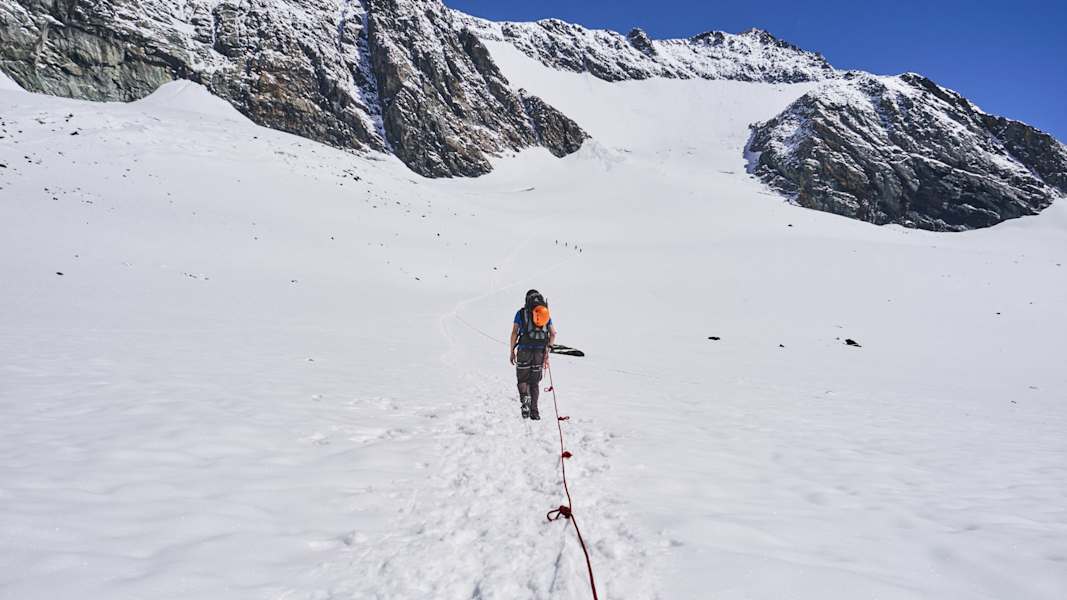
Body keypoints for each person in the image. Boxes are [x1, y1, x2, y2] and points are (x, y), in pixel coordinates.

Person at [509, 289, 556, 420]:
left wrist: (512, 351)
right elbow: (553, 333)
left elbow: (514, 333)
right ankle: (534, 412)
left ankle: (525, 400)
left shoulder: (521, 313)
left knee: (523, 379)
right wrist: (549, 349)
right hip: (540, 351)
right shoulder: (545, 314)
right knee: (534, 383)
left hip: (524, 350)